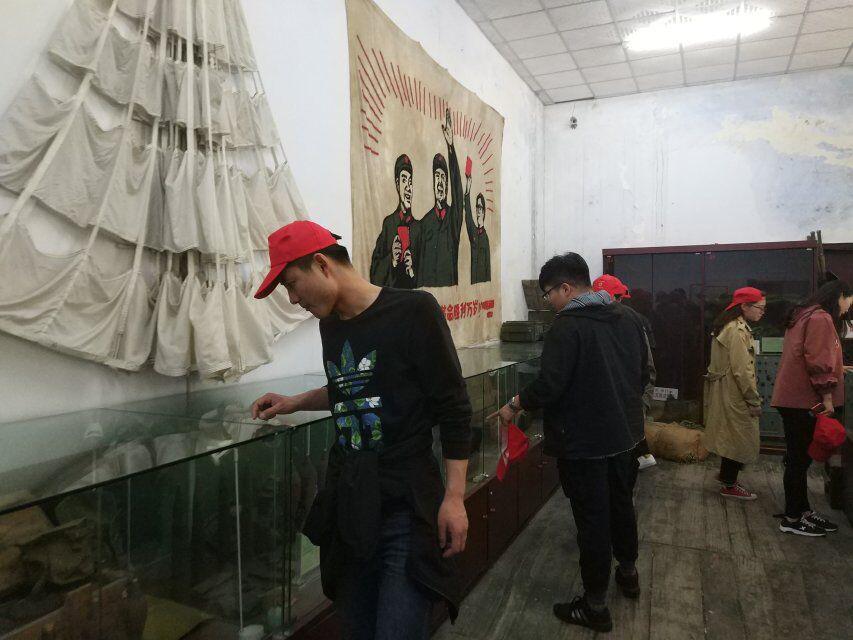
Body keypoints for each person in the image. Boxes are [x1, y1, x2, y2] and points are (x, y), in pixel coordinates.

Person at [251, 221, 472, 639]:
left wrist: (455, 497)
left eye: (292, 284)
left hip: (404, 504)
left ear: (322, 264)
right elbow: (351, 388)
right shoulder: (330, 325)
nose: (293, 299)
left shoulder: (414, 311)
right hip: (350, 504)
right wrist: (295, 402)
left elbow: (454, 407)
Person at [491, 253, 648, 634]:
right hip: (624, 436)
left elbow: (549, 385)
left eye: (549, 294)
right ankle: (628, 575)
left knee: (592, 522)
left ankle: (595, 607)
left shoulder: (567, 327)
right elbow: (642, 374)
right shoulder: (629, 318)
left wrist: (514, 404)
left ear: (566, 288)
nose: (549, 302)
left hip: (584, 444)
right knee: (621, 506)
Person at [771, 279, 853, 537]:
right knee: (798, 460)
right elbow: (817, 361)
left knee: (799, 459)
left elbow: (807, 355)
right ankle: (792, 518)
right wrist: (827, 397)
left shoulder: (803, 315)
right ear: (840, 296)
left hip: (793, 399)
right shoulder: (821, 318)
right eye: (848, 303)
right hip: (804, 401)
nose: (847, 310)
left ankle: (802, 510)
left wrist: (838, 368)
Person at [702, 287, 766, 500]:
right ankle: (729, 484)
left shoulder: (726, 325)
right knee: (739, 438)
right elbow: (743, 371)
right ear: (744, 306)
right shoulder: (737, 331)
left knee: (730, 436)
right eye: (759, 307)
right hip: (736, 393)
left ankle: (726, 477)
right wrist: (753, 400)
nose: (762, 312)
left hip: (726, 391)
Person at [593, 274, 657, 471]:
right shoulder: (594, 322)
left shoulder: (633, 320)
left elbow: (647, 367)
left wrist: (641, 399)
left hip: (631, 395)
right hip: (614, 399)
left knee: (626, 447)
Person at [413, 109, 463, 288]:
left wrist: (451, 148)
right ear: (433, 183)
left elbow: (459, 195)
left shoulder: (453, 218)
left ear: (447, 184)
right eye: (437, 177)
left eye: (443, 178)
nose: (440, 182)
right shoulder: (424, 223)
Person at [369, 154, 416, 289]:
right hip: (393, 298)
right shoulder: (388, 224)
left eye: (410, 181)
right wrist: (392, 260)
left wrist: (412, 271)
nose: (408, 187)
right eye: (404, 180)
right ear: (397, 184)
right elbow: (374, 274)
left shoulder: (419, 228)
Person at [463, 177, 490, 284]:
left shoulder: (485, 238)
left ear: (484, 211)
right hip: (473, 282)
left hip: (483, 284)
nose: (478, 210)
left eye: (480, 207)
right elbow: (468, 216)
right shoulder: (473, 232)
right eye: (477, 207)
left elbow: (488, 267)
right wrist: (467, 191)